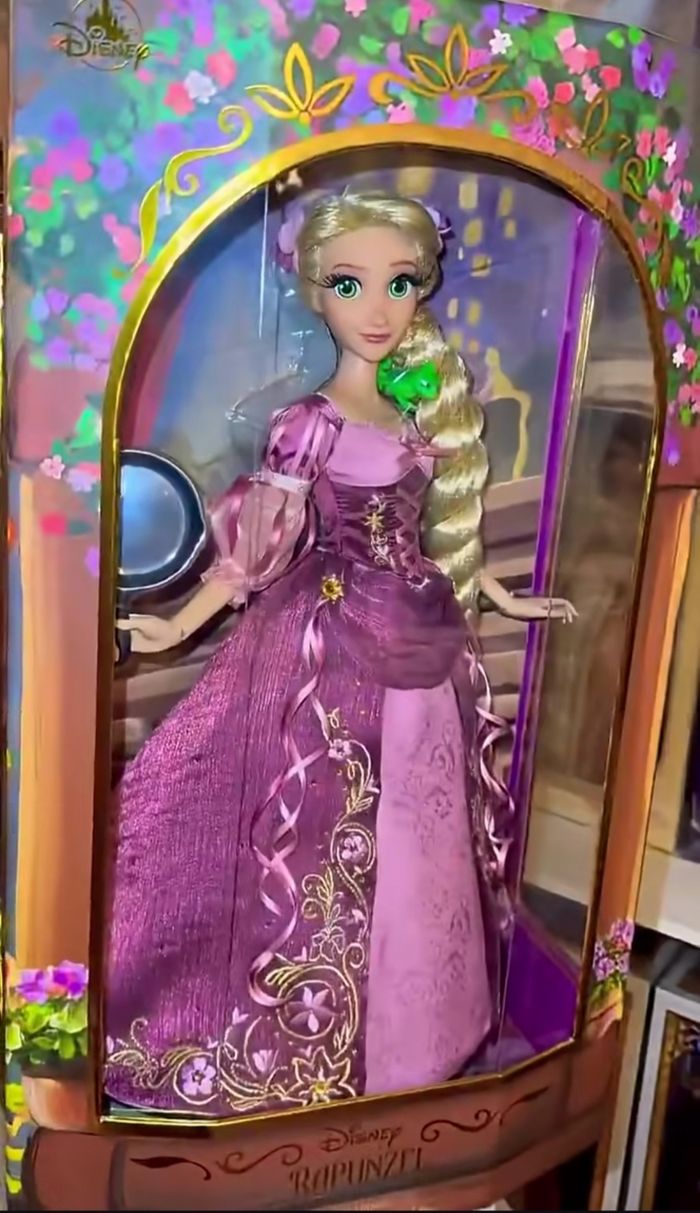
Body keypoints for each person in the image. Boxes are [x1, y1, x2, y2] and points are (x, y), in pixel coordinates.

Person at [105, 191, 575, 1117]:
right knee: (315, 825)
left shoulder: (416, 411)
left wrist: (500, 592)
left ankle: (416, 1039)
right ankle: (296, 1037)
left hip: (421, 641)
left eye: (399, 283)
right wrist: (178, 623)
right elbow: (258, 549)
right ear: (314, 292)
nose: (377, 307)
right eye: (350, 284)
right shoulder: (308, 422)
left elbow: (430, 535)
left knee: (419, 833)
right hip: (330, 647)